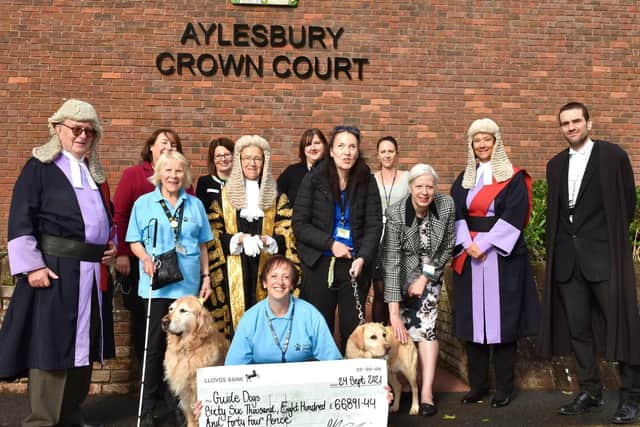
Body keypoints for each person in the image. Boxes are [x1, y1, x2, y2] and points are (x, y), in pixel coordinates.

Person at [0, 99, 116, 427]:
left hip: (90, 273)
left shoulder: (96, 174)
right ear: (57, 130)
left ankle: (70, 415)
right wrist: (32, 266)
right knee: (51, 344)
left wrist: (111, 246)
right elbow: (21, 216)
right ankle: (42, 420)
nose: (82, 136)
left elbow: (105, 221)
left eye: (89, 131)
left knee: (84, 346)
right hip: (55, 270)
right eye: (75, 129)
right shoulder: (40, 168)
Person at [538, 102, 640, 424]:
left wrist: (606, 244)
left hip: (604, 260)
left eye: (576, 121)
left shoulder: (612, 156)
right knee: (579, 331)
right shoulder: (554, 165)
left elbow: (627, 203)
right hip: (569, 263)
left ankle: (632, 397)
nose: (571, 127)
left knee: (620, 327)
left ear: (589, 123)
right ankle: (591, 392)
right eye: (565, 123)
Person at [450, 118, 539, 408]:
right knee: (473, 324)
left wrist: (484, 244)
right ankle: (478, 386)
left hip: (502, 258)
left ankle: (504, 389)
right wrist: (467, 243)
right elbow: (456, 214)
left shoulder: (512, 178)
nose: (482, 144)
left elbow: (515, 214)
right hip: (470, 253)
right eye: (477, 140)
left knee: (502, 324)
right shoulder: (464, 178)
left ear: (496, 141)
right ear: (471, 144)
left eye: (487, 139)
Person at [125, 150, 213, 427]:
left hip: (187, 286)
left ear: (185, 175)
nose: (173, 176)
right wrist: (144, 258)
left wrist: (206, 276)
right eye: (168, 170)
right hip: (157, 286)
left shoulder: (195, 205)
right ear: (159, 173)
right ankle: (148, 405)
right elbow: (133, 240)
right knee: (154, 348)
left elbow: (202, 245)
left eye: (178, 171)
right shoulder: (144, 203)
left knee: (187, 350)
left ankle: (179, 404)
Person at [293, 125, 382, 351]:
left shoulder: (367, 180)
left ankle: (349, 382)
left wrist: (362, 258)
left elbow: (374, 225)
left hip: (355, 265)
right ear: (331, 151)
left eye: (352, 146)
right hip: (319, 263)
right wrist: (330, 244)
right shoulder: (314, 179)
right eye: (341, 146)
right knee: (317, 328)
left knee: (352, 332)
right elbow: (300, 224)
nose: (347, 152)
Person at [207, 135, 298, 339]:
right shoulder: (223, 196)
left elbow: (288, 232)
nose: (252, 163)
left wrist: (271, 241)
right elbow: (212, 232)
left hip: (268, 267)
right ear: (239, 161)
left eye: (257, 158)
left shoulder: (277, 196)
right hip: (234, 270)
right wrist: (238, 239)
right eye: (247, 158)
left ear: (264, 162)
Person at [382, 163, 455, 417]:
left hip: (429, 274)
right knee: (397, 333)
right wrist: (393, 313)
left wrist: (425, 277)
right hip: (400, 274)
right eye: (419, 186)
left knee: (426, 329)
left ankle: (426, 392)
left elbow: (447, 248)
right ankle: (398, 389)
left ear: (435, 188)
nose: (424, 191)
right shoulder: (396, 212)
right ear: (410, 187)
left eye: (429, 186)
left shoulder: (445, 206)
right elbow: (391, 261)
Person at [113, 128, 184, 366]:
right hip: (142, 261)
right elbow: (120, 216)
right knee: (145, 321)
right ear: (151, 147)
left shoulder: (182, 179)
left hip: (177, 266)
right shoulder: (134, 175)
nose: (168, 148)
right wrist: (122, 252)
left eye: (173, 145)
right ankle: (145, 374)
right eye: (163, 143)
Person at [225, 255, 342, 365]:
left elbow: (332, 360)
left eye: (286, 277)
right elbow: (234, 366)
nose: (280, 282)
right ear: (264, 283)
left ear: (292, 284)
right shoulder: (250, 318)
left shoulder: (310, 314)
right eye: (273, 276)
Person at [372, 136, 409, 324]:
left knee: (399, 292)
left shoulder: (408, 178)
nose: (387, 155)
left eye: (390, 151)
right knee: (380, 293)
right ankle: (380, 336)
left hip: (401, 238)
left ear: (397, 154)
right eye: (383, 151)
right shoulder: (371, 179)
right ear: (378, 155)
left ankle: (399, 340)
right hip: (377, 239)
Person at [277, 128, 328, 205]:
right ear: (303, 149)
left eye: (317, 143)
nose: (313, 148)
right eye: (308, 144)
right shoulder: (292, 171)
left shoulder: (332, 172)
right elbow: (275, 194)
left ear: (324, 146)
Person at [195, 136, 234, 214]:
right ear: (213, 159)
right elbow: (200, 212)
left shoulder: (242, 182)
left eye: (227, 154)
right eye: (218, 156)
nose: (223, 159)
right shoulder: (204, 182)